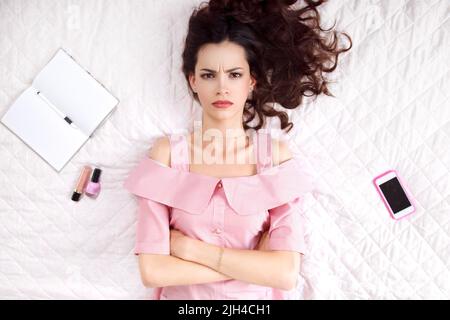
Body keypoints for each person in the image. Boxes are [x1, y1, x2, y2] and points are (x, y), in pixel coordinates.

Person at [124, 0, 352, 300]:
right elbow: (152, 272)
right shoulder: (167, 154)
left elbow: (284, 274)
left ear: (251, 82)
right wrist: (251, 264)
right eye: (208, 75)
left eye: (234, 74)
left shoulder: (274, 158)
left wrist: (190, 250)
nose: (222, 87)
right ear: (193, 81)